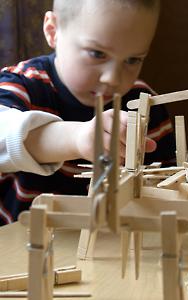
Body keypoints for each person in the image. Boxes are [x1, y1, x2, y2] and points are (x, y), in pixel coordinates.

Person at [0, 0, 176, 225]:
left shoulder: (144, 106)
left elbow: (166, 191)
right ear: (53, 31)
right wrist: (76, 137)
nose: (113, 78)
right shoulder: (22, 85)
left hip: (110, 248)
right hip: (23, 247)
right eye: (97, 53)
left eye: (133, 60)